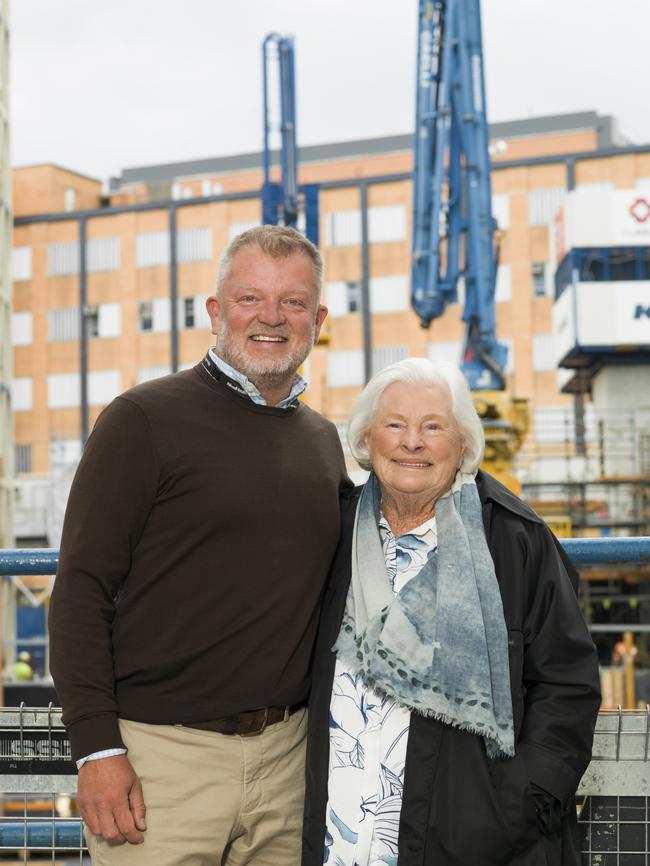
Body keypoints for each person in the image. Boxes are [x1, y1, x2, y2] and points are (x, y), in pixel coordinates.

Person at [49, 225, 351, 866]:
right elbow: (81, 589)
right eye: (249, 299)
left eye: (293, 302)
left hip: (288, 758)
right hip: (161, 763)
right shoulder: (142, 420)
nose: (271, 317)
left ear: (318, 319)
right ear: (215, 311)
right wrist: (97, 751)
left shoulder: (324, 442)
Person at [302, 358, 600, 866]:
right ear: (367, 440)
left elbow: (566, 684)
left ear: (462, 444)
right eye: (394, 425)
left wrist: (519, 803)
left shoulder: (513, 539)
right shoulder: (332, 532)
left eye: (433, 427)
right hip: (340, 835)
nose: (411, 442)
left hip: (471, 842)